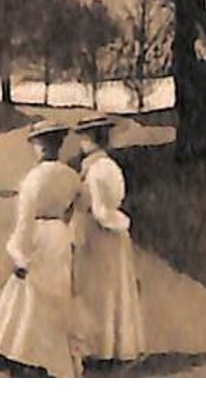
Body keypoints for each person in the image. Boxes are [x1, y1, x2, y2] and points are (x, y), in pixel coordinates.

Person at [0, 119, 86, 378]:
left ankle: (26, 354)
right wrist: (66, 227)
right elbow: (80, 207)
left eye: (37, 145)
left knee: (30, 297)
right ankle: (51, 354)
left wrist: (19, 255)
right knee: (55, 295)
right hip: (59, 235)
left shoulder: (32, 180)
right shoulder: (71, 176)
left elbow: (24, 222)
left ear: (40, 147)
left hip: (37, 235)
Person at [72, 114, 145, 370]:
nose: (81, 143)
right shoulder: (109, 166)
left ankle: (99, 348)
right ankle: (116, 345)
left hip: (98, 232)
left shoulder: (95, 170)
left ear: (91, 139)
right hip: (112, 233)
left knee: (98, 289)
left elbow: (100, 208)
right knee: (113, 287)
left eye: (84, 137)